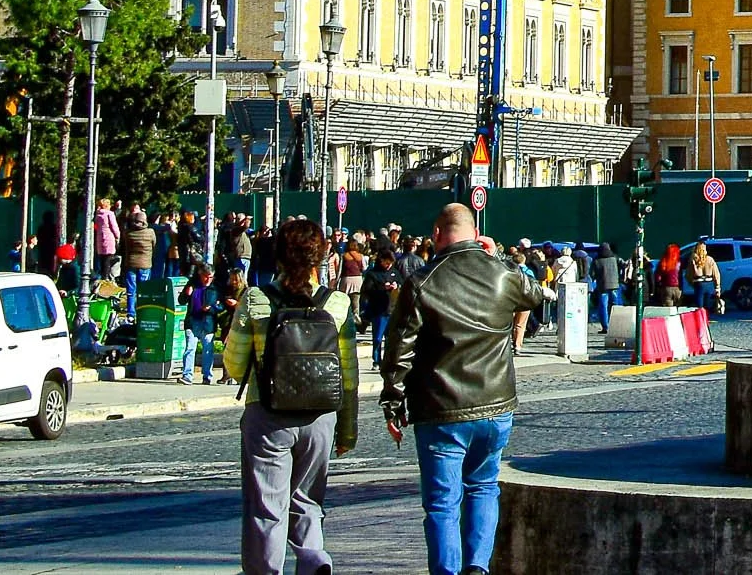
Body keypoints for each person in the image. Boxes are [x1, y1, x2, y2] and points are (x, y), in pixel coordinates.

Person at [381, 203, 544, 575]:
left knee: (442, 503)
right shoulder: (501, 274)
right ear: (474, 234)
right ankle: (477, 566)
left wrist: (393, 403)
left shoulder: (422, 281)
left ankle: (448, 571)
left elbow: (398, 350)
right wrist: (500, 257)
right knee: (484, 487)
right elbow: (535, 295)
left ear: (437, 234)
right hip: (496, 404)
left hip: (441, 407)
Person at [224, 218, 358, 575]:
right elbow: (348, 374)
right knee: (308, 499)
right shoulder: (338, 304)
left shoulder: (256, 299)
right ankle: (314, 559)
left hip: (268, 414)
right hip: (320, 417)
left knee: (266, 504)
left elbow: (235, 365)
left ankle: (266, 570)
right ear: (322, 256)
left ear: (279, 256)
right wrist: (347, 431)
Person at [362, 249, 402, 368]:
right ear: (381, 260)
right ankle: (376, 360)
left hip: (392, 308)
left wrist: (397, 286)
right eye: (386, 262)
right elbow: (366, 290)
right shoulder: (373, 274)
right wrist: (382, 287)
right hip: (378, 310)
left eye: (390, 263)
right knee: (378, 338)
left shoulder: (395, 272)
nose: (388, 265)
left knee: (391, 338)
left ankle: (389, 360)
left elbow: (402, 283)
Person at [181, 264, 220, 385]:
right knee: (189, 348)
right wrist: (187, 294)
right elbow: (181, 301)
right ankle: (187, 375)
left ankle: (207, 376)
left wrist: (210, 308)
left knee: (208, 350)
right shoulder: (192, 285)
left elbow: (220, 306)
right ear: (200, 275)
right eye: (205, 277)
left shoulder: (215, 288)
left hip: (208, 323)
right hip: (193, 322)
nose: (208, 279)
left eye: (210, 277)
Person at [121, 212, 155, 317]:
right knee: (143, 290)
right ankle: (142, 310)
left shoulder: (128, 233)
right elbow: (154, 245)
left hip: (131, 263)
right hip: (145, 264)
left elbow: (125, 247)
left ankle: (131, 312)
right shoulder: (150, 232)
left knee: (131, 290)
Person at [590, 244, 623, 332]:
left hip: (602, 285)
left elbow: (592, 274)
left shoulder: (597, 260)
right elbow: (623, 267)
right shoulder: (615, 258)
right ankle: (617, 325)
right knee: (615, 305)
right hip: (615, 285)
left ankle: (605, 327)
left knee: (603, 306)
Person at [688, 241, 722, 316]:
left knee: (699, 307)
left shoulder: (693, 260)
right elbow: (716, 274)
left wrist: (692, 283)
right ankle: (707, 321)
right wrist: (717, 287)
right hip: (709, 283)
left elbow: (689, 275)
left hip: (699, 284)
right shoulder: (710, 259)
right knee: (707, 307)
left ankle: (700, 322)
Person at [93, 198, 122, 282]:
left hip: (100, 239)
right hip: (109, 238)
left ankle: (103, 277)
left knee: (102, 260)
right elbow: (114, 227)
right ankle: (106, 280)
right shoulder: (110, 214)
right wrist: (118, 236)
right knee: (108, 260)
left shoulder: (98, 215)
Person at [655, 244, 683, 308]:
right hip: (677, 288)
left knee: (667, 308)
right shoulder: (678, 263)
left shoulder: (663, 262)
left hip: (666, 287)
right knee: (677, 308)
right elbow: (680, 276)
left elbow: (658, 277)